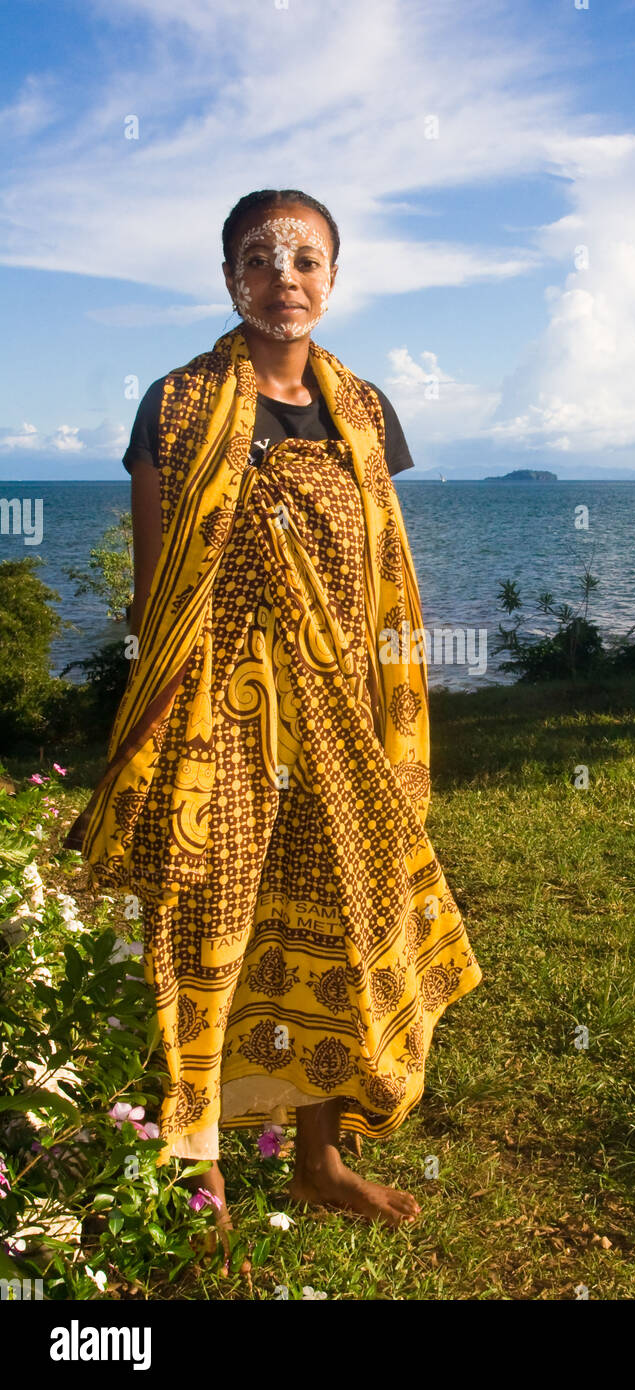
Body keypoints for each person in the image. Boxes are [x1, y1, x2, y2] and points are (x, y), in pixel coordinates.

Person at [64, 188, 483, 1265]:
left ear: (332, 280)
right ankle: (197, 1176)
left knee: (342, 918)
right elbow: (158, 600)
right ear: (229, 280)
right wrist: (148, 739)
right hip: (218, 716)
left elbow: (384, 579)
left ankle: (318, 1157)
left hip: (341, 717)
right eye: (259, 257)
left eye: (305, 257)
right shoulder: (175, 406)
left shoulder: (368, 411)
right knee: (207, 924)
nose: (283, 275)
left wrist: (392, 716)